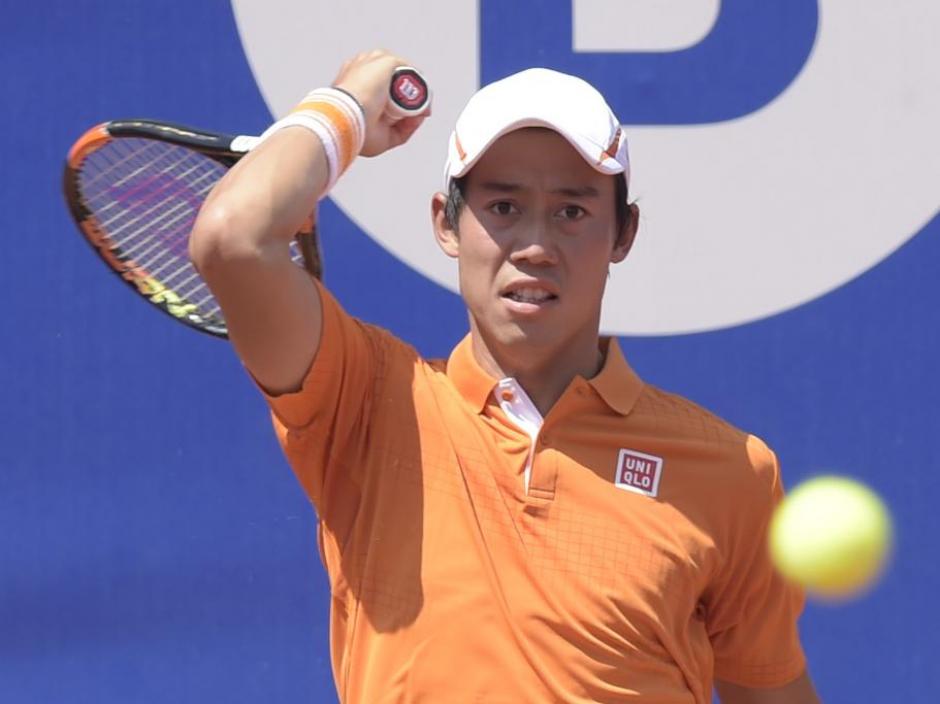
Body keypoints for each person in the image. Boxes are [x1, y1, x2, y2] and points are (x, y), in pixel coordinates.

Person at [190, 50, 820, 704]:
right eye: (503, 207)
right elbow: (233, 238)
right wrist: (346, 105)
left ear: (624, 232)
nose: (535, 246)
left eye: (571, 212)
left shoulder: (733, 471)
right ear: (446, 223)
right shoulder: (367, 399)